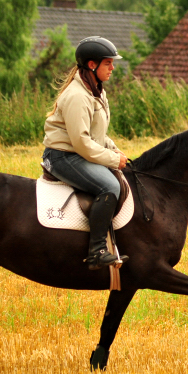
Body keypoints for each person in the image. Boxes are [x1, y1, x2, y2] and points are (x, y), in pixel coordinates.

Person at [42, 36, 129, 270]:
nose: (113, 68)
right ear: (92, 65)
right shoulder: (78, 96)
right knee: (110, 187)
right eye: (108, 63)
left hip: (76, 152)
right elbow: (81, 142)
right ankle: (97, 251)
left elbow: (96, 135)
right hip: (62, 157)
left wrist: (114, 150)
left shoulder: (96, 91)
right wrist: (112, 160)